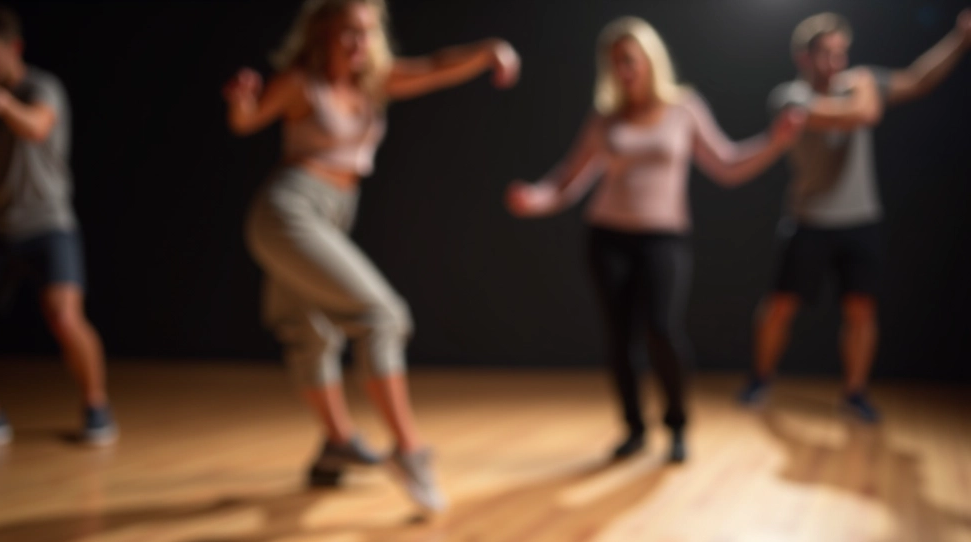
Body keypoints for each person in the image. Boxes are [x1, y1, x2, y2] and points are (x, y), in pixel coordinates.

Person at [222, 0, 519, 513]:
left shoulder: (373, 84)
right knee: (381, 315)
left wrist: (487, 51)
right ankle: (409, 449)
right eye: (347, 34)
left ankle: (337, 444)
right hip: (290, 211)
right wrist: (241, 102)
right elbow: (248, 122)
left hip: (331, 214)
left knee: (307, 331)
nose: (359, 44)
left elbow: (433, 67)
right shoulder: (300, 82)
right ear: (322, 36)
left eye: (367, 33)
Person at [507, 17, 802, 463]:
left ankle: (677, 424)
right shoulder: (606, 118)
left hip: (663, 237)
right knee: (620, 337)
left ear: (649, 60)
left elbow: (727, 164)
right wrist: (535, 198)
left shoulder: (683, 108)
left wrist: (775, 143)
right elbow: (568, 181)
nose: (623, 71)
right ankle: (633, 428)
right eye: (614, 64)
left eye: (629, 60)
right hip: (608, 237)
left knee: (662, 328)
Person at [739, 11, 971, 422]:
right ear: (804, 57)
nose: (836, 62)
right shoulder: (790, 97)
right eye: (826, 54)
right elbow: (861, 114)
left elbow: (919, 79)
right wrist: (865, 89)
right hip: (808, 220)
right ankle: (760, 378)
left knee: (861, 310)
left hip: (860, 220)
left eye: (841, 53)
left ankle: (855, 392)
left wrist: (961, 38)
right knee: (779, 306)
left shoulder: (858, 84)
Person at [0, 4, 116, 452]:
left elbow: (38, 126)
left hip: (48, 225)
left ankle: (96, 407)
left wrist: (5, 106)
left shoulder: (41, 88)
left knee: (64, 316)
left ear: (13, 48)